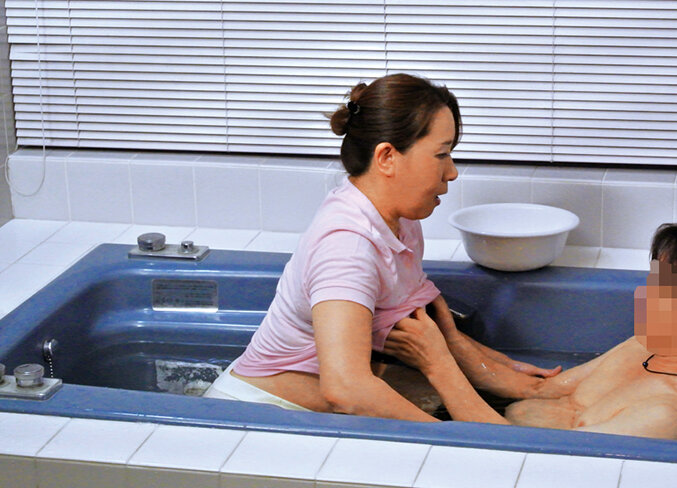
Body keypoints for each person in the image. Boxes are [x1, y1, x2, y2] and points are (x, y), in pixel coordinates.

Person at [203, 73, 558, 421]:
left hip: (306, 411)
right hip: (258, 416)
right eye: (441, 154)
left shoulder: (399, 222)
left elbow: (420, 324)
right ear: (387, 157)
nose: (452, 172)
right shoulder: (347, 247)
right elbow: (346, 389)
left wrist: (502, 369)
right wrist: (449, 438)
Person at [387, 219, 677, 439]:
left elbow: (520, 456)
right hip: (489, 421)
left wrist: (439, 366)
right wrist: (450, 341)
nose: (642, 295)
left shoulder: (671, 416)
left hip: (499, 449)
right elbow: (537, 389)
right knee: (381, 380)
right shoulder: (649, 347)